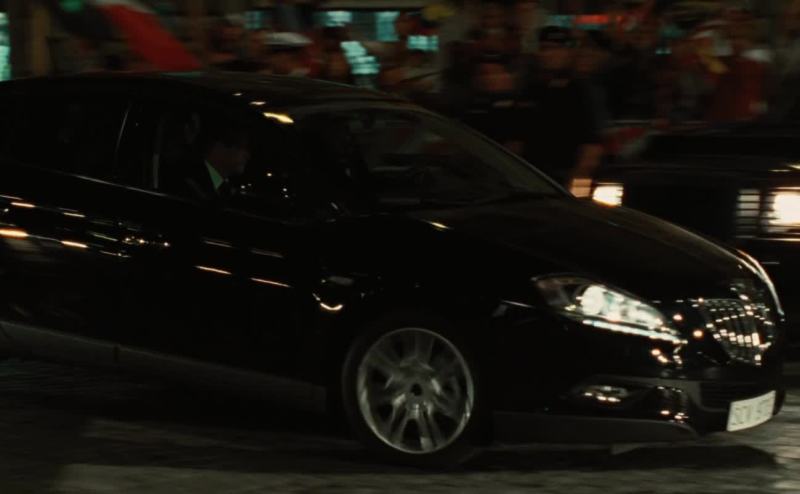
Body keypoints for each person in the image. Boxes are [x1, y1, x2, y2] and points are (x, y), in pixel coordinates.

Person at [515, 26, 604, 195]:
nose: (550, 54)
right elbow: (517, 141)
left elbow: (591, 149)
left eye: (557, 49)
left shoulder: (582, 91)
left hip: (565, 179)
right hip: (531, 181)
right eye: (545, 49)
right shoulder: (530, 90)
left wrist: (577, 192)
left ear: (568, 52)